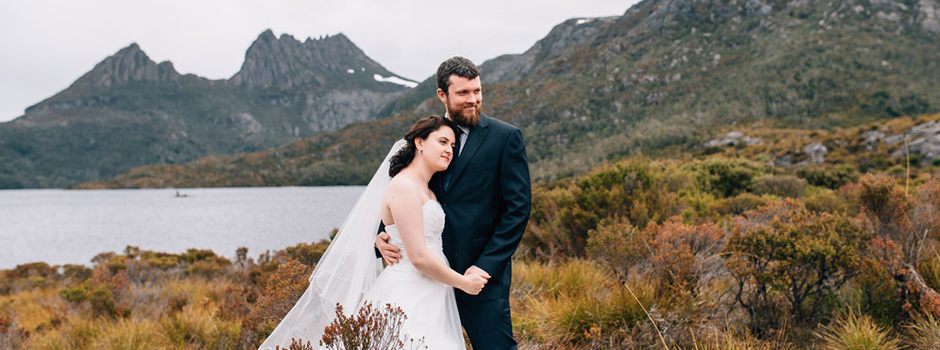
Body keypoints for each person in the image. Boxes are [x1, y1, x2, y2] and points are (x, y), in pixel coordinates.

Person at [258, 115, 488, 350]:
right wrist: (464, 283)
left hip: (433, 290)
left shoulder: (426, 188)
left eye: (452, 145)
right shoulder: (404, 186)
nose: (449, 150)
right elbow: (418, 257)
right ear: (419, 143)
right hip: (409, 290)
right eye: (442, 142)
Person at [377, 56, 532, 349]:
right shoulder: (427, 137)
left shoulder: (505, 137)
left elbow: (517, 210)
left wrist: (485, 267)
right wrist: (380, 236)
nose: (473, 99)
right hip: (424, 282)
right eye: (463, 93)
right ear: (442, 95)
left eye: (477, 91)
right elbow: (398, 189)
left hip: (480, 280)